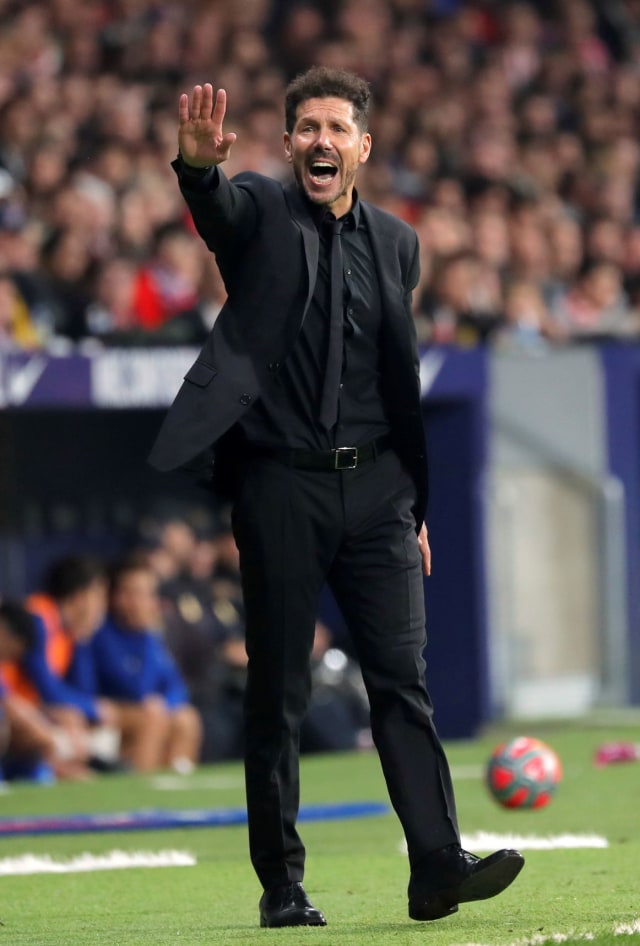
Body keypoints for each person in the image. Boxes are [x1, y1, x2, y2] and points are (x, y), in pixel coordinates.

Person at [148, 66, 524, 929]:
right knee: (277, 689)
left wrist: (415, 506)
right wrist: (197, 171)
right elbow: (218, 213)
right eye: (307, 127)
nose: (322, 140)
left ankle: (436, 864)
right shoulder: (257, 214)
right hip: (282, 484)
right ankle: (283, 883)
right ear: (287, 144)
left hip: (381, 489)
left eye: (337, 128)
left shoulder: (399, 243)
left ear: (363, 145)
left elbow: (397, 379)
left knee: (403, 681)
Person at [89, 553, 202, 773]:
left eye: (149, 594)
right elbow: (135, 687)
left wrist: (164, 703)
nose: (147, 602)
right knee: (154, 718)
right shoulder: (101, 633)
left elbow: (177, 686)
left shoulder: (150, 636)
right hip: (108, 714)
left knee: (187, 718)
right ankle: (141, 792)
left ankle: (176, 787)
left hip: (144, 710)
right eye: (137, 593)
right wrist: (148, 634)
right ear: (117, 597)